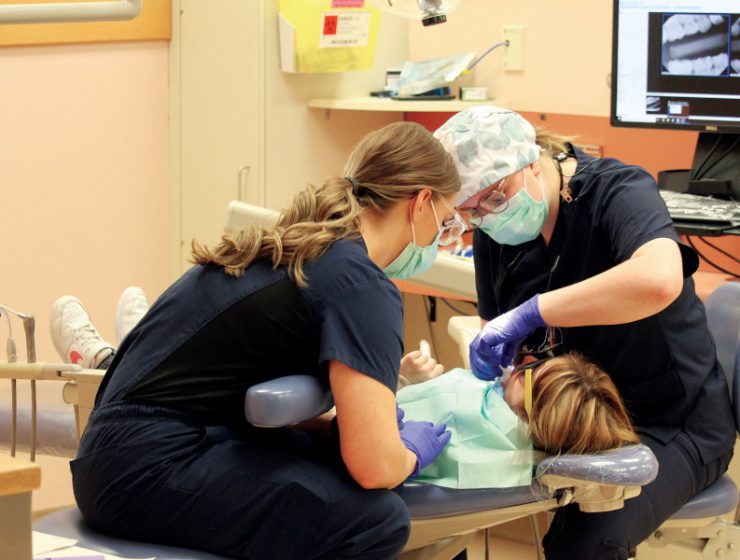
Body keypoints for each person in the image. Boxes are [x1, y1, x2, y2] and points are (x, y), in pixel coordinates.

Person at [60, 121, 465, 559]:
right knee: (375, 520)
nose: (437, 241)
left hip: (122, 455)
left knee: (333, 465)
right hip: (145, 468)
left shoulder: (305, 248)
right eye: (443, 222)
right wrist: (408, 452)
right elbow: (375, 467)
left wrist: (340, 433)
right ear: (421, 202)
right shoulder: (360, 284)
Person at [433, 105, 736, 559]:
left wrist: (535, 311)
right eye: (470, 212)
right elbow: (503, 342)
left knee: (586, 543)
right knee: (437, 493)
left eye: (496, 197)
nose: (487, 218)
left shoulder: (618, 191)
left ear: (532, 161)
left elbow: (659, 279)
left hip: (670, 423)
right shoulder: (494, 236)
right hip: (572, 422)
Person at [397, 346, 639, 489]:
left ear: (534, 414)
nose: (526, 360)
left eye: (528, 372)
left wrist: (399, 386)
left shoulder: (474, 424)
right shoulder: (505, 436)